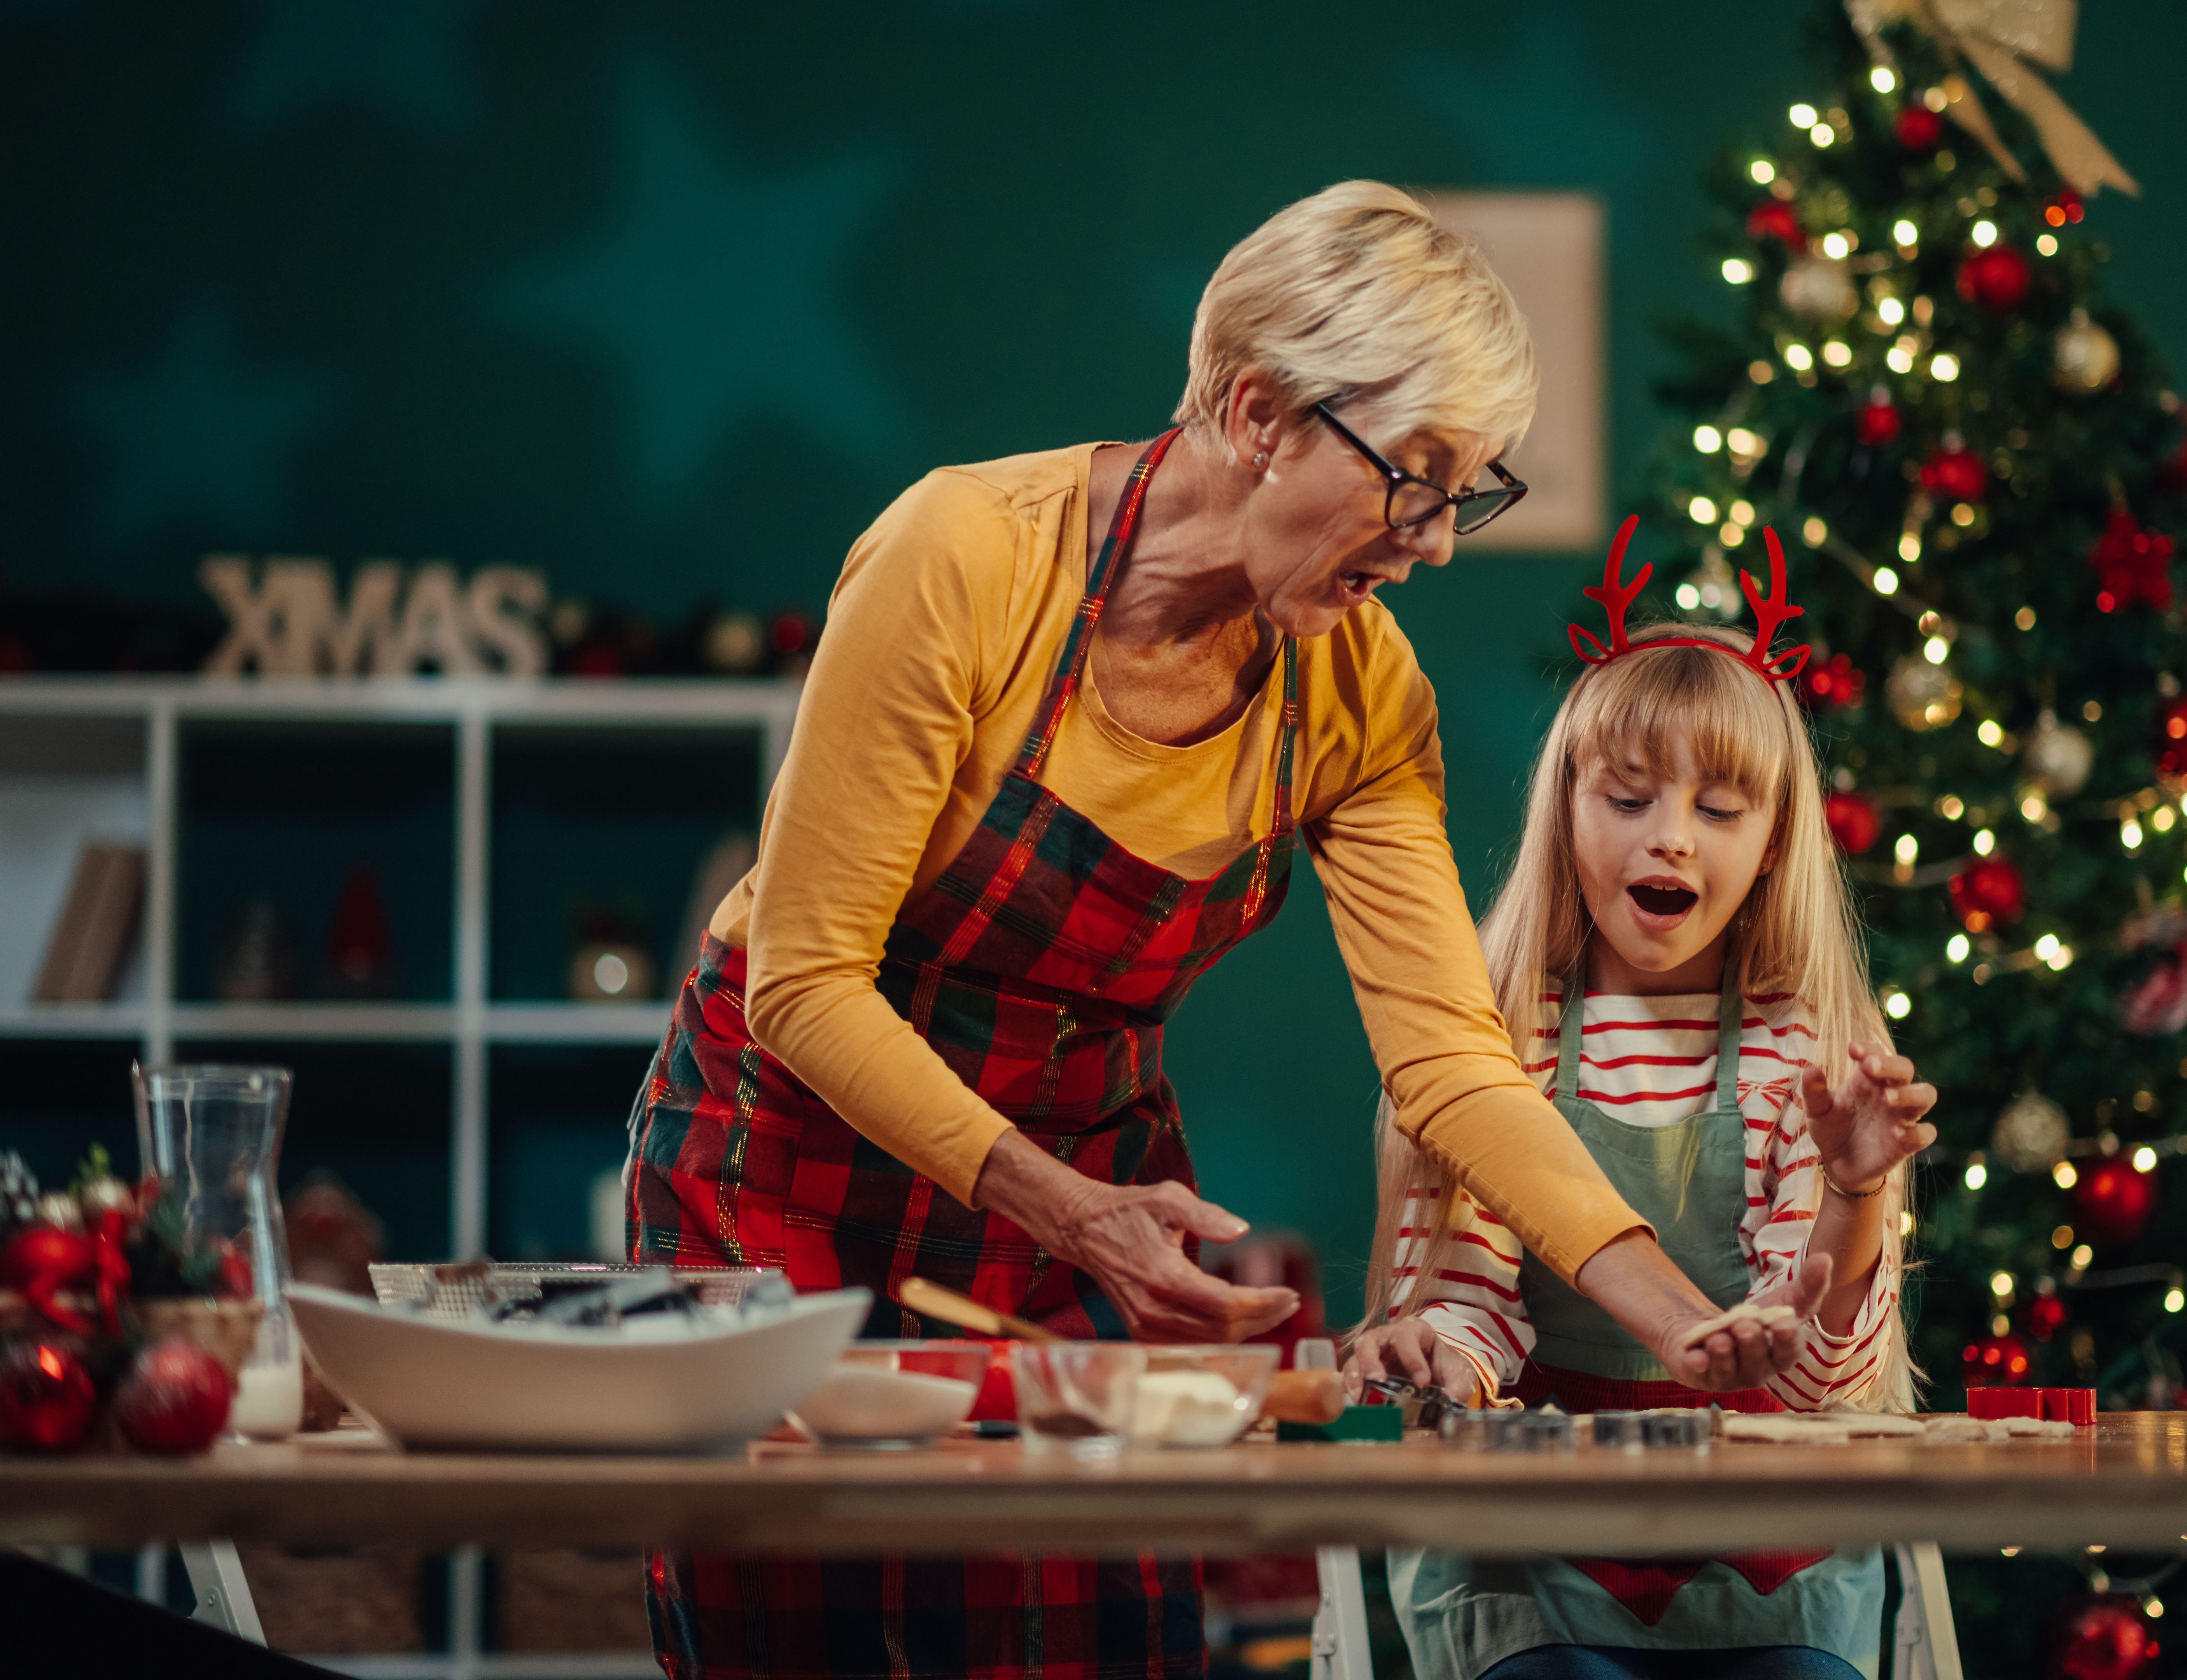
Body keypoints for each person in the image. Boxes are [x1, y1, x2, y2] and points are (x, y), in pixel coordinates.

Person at [622, 184, 1818, 1680]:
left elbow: (1453, 1063)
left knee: (1082, 1632)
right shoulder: (966, 556)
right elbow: (806, 982)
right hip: (780, 1162)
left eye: (1471, 492)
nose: (1440, 542)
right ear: (1259, 412)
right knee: (796, 1628)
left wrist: (1684, 1318)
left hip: (1085, 1171)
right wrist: (1075, 1212)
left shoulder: (1365, 696)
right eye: (1421, 479)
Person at [1346, 528, 1938, 1680]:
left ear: (1773, 849)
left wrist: (1855, 1195)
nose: (1670, 833)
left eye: (1721, 811)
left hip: (1766, 1569)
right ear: (1567, 812)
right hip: (1541, 1565)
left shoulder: (1805, 1057)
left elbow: (1817, 1383)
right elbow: (1469, 1316)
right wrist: (1434, 1362)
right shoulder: (1495, 1043)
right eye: (1628, 796)